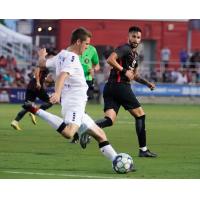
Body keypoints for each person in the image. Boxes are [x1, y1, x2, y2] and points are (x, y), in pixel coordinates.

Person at [22, 27, 118, 165]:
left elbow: (42, 64)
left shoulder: (61, 55)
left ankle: (116, 160)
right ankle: (37, 110)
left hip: (72, 102)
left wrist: (41, 55)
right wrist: (57, 93)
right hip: (75, 102)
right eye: (86, 44)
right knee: (69, 133)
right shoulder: (72, 57)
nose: (87, 48)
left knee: (101, 135)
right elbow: (62, 75)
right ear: (78, 41)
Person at [81, 26, 157, 157]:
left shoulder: (135, 56)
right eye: (133, 36)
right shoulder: (125, 48)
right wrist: (123, 71)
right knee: (140, 115)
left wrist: (147, 83)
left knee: (109, 120)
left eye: (138, 37)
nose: (136, 39)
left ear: (140, 39)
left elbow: (134, 75)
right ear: (128, 37)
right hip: (120, 86)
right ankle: (143, 150)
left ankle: (88, 130)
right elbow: (111, 59)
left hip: (110, 88)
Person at [70, 44, 100, 143]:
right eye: (85, 42)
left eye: (88, 42)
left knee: (79, 109)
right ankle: (83, 133)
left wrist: (93, 69)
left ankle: (80, 134)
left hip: (87, 82)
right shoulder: (72, 49)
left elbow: (97, 65)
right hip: (74, 81)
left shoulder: (92, 50)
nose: (87, 45)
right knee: (77, 109)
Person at [11, 66, 53, 130]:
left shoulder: (46, 68)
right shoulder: (44, 65)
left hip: (31, 85)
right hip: (37, 86)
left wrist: (51, 81)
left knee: (28, 105)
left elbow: (43, 77)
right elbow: (37, 71)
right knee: (51, 101)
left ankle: (15, 121)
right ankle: (34, 112)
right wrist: (38, 82)